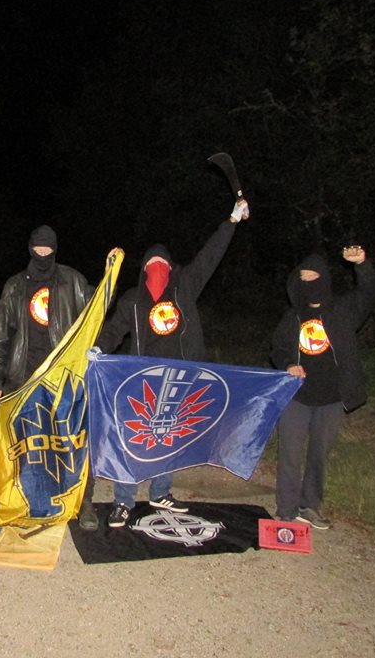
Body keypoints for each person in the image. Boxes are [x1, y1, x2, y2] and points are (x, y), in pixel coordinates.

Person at [93, 198, 250, 528]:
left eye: (163, 264)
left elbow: (209, 256)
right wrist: (97, 347)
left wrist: (231, 221)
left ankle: (160, 491)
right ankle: (123, 500)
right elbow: (113, 330)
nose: (158, 269)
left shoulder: (184, 289)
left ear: (171, 267)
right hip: (141, 378)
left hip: (179, 376)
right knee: (134, 437)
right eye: (152, 264)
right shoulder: (133, 300)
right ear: (144, 270)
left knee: (168, 436)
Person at [0, 225, 95, 527]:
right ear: (30, 248)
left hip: (63, 376)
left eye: (48, 249)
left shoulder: (73, 281)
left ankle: (83, 502)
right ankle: (24, 499)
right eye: (38, 248)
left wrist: (111, 275)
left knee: (73, 440)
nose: (42, 254)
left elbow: (95, 315)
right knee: (26, 444)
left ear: (55, 249)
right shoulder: (15, 286)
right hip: (24, 377)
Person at [270, 245, 375, 530]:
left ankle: (310, 506)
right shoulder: (293, 317)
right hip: (296, 396)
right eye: (303, 278)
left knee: (318, 455)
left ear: (325, 280)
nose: (309, 283)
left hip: (331, 397)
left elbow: (368, 292)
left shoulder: (343, 311)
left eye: (313, 277)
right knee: (290, 454)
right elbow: (278, 348)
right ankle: (286, 510)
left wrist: (362, 265)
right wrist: (287, 365)